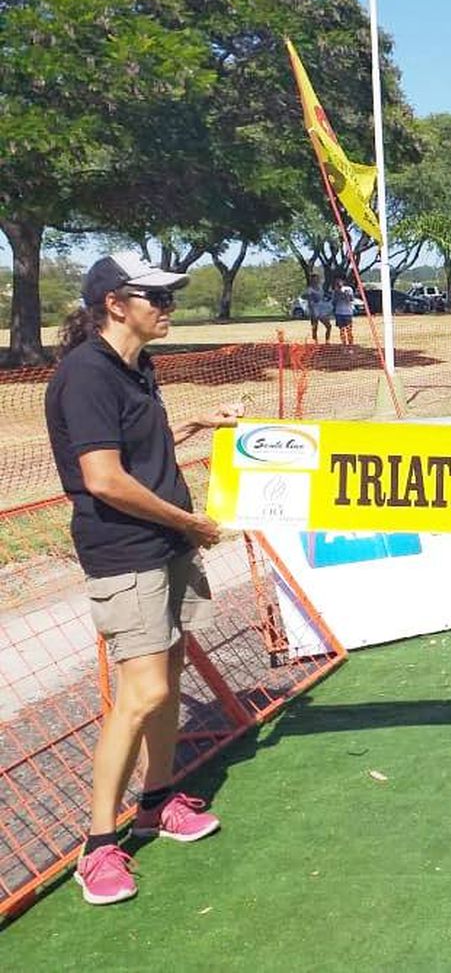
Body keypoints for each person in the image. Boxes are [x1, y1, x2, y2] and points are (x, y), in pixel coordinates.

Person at [45, 252, 242, 906]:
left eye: (169, 294)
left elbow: (142, 443)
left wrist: (199, 423)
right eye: (155, 295)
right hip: (126, 549)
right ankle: (99, 845)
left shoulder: (136, 365)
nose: (169, 305)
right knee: (143, 688)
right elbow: (102, 477)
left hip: (167, 543)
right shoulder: (86, 374)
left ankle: (158, 801)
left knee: (172, 671)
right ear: (114, 303)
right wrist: (190, 519)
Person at [302, 274, 331, 343]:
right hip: (314, 309)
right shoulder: (310, 289)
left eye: (317, 279)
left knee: (328, 325)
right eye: (314, 279)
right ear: (312, 280)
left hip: (321, 308)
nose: (316, 280)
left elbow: (322, 297)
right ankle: (315, 341)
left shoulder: (320, 288)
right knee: (315, 326)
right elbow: (307, 299)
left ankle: (327, 341)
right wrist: (312, 311)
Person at [331, 276, 356, 348]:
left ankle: (351, 346)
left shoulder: (348, 289)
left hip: (348, 312)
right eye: (337, 281)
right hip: (339, 313)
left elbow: (351, 299)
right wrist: (336, 293)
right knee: (341, 331)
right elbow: (334, 302)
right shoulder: (335, 291)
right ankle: (344, 346)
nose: (339, 282)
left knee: (349, 330)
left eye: (340, 280)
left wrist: (344, 294)